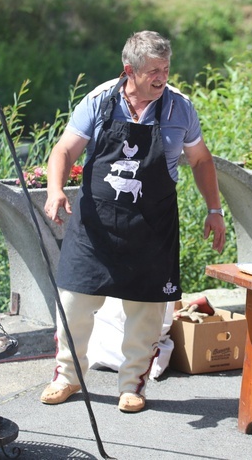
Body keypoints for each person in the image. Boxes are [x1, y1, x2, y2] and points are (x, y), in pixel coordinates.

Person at [40, 30, 226, 413]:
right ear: (130, 71)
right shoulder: (99, 100)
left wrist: (214, 209)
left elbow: (202, 160)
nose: (162, 78)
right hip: (95, 224)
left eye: (166, 69)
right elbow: (64, 149)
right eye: (154, 71)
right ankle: (67, 377)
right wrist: (55, 189)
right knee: (74, 301)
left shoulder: (180, 109)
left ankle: (133, 385)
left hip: (152, 225)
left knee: (144, 312)